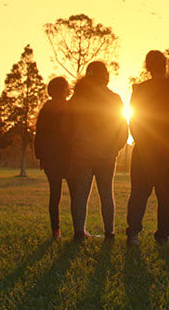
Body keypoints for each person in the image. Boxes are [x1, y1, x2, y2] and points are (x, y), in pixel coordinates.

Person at [67, 61, 127, 242]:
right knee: (107, 193)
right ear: (106, 76)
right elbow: (123, 128)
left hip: (82, 153)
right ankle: (110, 233)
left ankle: (79, 232)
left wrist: (73, 145)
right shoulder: (114, 98)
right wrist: (115, 147)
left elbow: (66, 125)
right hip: (106, 154)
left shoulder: (77, 98)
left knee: (81, 194)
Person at [125, 51, 169, 246]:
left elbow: (133, 118)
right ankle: (163, 235)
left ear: (147, 66)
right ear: (165, 65)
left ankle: (133, 233)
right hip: (167, 147)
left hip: (144, 146)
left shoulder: (139, 89)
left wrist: (140, 139)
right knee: (166, 194)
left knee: (139, 192)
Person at [34, 77, 72, 240]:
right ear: (64, 89)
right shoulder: (69, 107)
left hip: (50, 158)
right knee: (76, 195)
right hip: (68, 157)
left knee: (54, 195)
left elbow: (39, 135)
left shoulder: (45, 109)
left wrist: (40, 157)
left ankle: (55, 231)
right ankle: (78, 229)